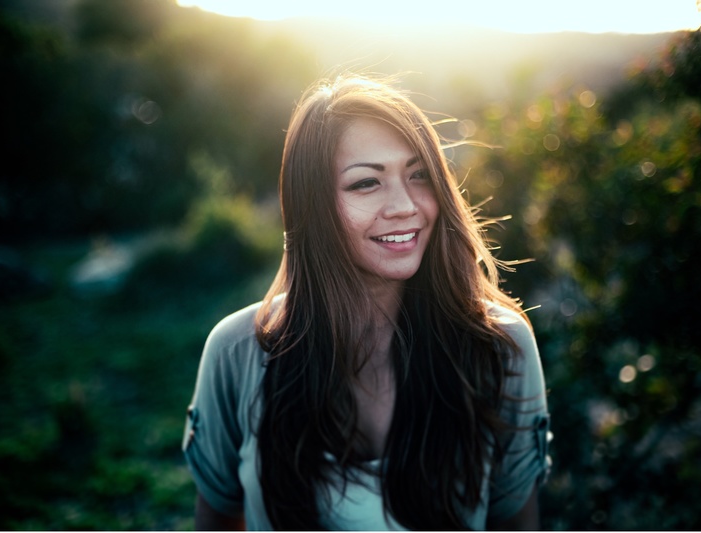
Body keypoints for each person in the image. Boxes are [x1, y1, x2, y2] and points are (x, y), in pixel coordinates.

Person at [182, 74, 551, 530]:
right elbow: (218, 517)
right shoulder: (237, 352)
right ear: (312, 205)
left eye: (419, 175)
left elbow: (517, 524)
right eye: (365, 184)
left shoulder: (500, 346)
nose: (405, 206)